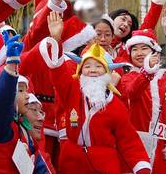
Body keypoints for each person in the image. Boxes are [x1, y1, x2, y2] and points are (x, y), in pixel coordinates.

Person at [42, 11, 151, 174]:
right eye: (87, 66)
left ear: (107, 73)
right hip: (72, 162)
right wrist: (57, 40)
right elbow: (57, 74)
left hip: (104, 165)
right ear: (80, 71)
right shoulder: (71, 90)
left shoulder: (115, 106)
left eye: (98, 67)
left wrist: (141, 167)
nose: (92, 70)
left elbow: (129, 141)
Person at [0, 31, 52, 173]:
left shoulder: (24, 128)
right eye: (20, 91)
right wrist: (11, 68)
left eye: (26, 90)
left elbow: (39, 167)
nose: (27, 96)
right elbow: (1, 101)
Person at [119, 29, 166, 173]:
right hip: (137, 147)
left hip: (164, 149)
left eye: (144, 48)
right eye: (134, 49)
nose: (139, 53)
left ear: (155, 51)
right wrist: (146, 73)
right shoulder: (128, 78)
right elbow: (132, 92)